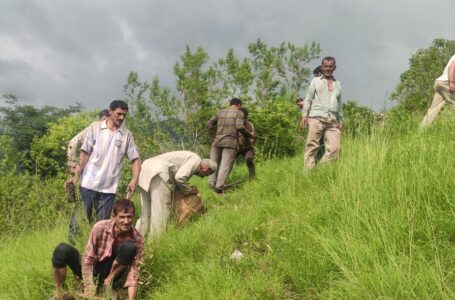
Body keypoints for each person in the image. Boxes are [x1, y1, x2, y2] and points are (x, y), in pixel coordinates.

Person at [51, 199, 144, 300]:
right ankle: (58, 292)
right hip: (94, 268)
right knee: (62, 249)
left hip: (111, 274)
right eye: (122, 217)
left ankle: (106, 285)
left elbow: (133, 272)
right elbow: (88, 260)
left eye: (129, 217)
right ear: (114, 217)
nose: (126, 221)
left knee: (129, 247)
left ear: (133, 217)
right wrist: (89, 287)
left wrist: (132, 299)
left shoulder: (137, 239)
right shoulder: (100, 227)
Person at [76, 100, 141, 223]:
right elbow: (85, 153)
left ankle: (98, 243)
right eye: (119, 114)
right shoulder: (95, 128)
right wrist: (74, 177)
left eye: (124, 115)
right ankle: (73, 243)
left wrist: (134, 180)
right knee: (79, 223)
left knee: (102, 225)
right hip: (88, 185)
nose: (122, 117)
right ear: (110, 111)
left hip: (109, 190)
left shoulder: (126, 135)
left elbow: (136, 160)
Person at [135, 151, 216, 237]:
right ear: (207, 169)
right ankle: (154, 245)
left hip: (145, 168)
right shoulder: (196, 160)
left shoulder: (189, 158)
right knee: (160, 213)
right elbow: (180, 177)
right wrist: (189, 190)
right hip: (159, 172)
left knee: (145, 212)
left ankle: (135, 241)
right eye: (208, 174)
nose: (204, 177)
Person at [67, 109, 109, 244]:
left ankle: (89, 240)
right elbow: (72, 144)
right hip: (88, 176)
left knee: (90, 209)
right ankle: (74, 240)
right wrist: (74, 169)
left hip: (98, 177)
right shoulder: (94, 128)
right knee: (84, 208)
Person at [300, 56, 343, 170]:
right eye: (326, 66)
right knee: (312, 146)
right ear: (322, 67)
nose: (328, 68)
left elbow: (339, 104)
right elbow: (308, 99)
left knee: (335, 149)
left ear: (334, 67)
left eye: (330, 66)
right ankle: (308, 174)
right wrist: (304, 115)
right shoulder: (315, 81)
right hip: (316, 118)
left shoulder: (337, 84)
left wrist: (340, 120)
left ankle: (318, 171)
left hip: (332, 120)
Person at [206, 98, 255, 193]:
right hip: (230, 143)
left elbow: (208, 124)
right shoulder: (239, 113)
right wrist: (250, 135)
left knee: (213, 164)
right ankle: (219, 188)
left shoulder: (219, 112)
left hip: (216, 142)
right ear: (239, 105)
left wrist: (212, 137)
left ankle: (211, 185)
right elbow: (239, 127)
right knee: (225, 165)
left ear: (230, 104)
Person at [420, 54, 455, 128]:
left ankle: (421, 131)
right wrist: (451, 83)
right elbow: (451, 68)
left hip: (439, 83)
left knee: (434, 108)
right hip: (446, 83)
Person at [237, 108, 256, 180]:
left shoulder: (250, 124)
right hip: (236, 147)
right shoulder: (234, 124)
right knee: (228, 163)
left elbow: (252, 137)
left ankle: (252, 178)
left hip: (247, 147)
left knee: (249, 161)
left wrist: (250, 139)